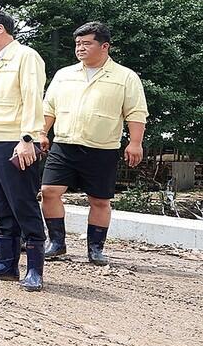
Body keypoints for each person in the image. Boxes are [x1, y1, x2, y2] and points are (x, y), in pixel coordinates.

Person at [40, 21, 149, 266]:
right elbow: (49, 108)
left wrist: (135, 143)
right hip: (64, 144)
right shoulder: (64, 74)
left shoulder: (125, 77)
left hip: (103, 148)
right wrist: (42, 132)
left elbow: (136, 112)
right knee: (48, 191)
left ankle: (95, 249)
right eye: (78, 43)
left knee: (99, 200)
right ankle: (57, 243)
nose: (80, 48)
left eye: (87, 43)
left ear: (104, 46)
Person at [0, 10, 48, 292]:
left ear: (0, 29)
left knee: (23, 203)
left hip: (15, 142)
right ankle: (6, 263)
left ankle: (35, 269)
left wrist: (28, 138)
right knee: (1, 205)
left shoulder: (25, 56)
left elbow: (32, 98)